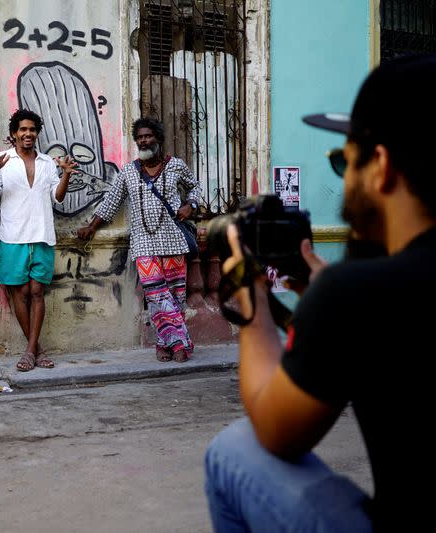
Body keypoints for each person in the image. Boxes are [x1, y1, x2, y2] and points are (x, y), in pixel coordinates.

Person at [203, 54, 436, 532]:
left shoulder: (358, 296)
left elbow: (276, 429)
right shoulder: (355, 294)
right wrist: (320, 305)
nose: (343, 177)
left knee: (233, 449)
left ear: (382, 166)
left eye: (342, 160)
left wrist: (250, 295)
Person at [77, 118, 201, 363]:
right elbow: (112, 201)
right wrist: (92, 227)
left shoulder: (176, 166)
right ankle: (180, 344)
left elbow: (195, 187)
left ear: (158, 138)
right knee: (156, 295)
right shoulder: (129, 172)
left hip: (174, 240)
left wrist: (190, 205)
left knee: (175, 295)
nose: (143, 141)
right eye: (139, 137)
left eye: (148, 136)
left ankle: (163, 344)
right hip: (143, 243)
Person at [0, 109, 77, 372]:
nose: (28, 134)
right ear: (14, 133)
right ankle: (38, 349)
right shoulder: (2, 160)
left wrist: (67, 174)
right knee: (21, 293)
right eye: (23, 129)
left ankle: (29, 351)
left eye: (32, 129)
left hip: (42, 235)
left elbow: (57, 197)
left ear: (37, 133)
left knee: (37, 292)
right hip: (12, 237)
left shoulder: (48, 163)